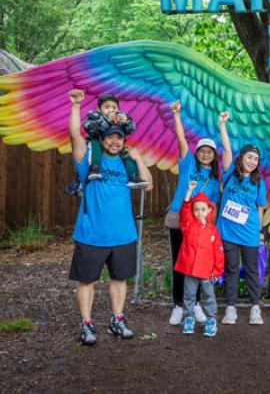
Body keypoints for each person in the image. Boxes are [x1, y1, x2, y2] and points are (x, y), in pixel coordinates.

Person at [67, 89, 153, 346]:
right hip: (92, 233)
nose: (114, 142)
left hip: (123, 234)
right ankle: (86, 324)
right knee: (86, 281)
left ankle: (117, 319)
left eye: (119, 138)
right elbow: (74, 136)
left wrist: (138, 159)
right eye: (110, 138)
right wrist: (75, 107)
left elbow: (147, 186)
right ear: (102, 139)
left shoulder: (127, 163)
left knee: (119, 279)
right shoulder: (89, 158)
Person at [166, 101, 221, 326]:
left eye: (209, 151)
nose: (205, 154)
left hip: (200, 227)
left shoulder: (215, 178)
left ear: (213, 155)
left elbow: (214, 206)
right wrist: (177, 115)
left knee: (200, 263)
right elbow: (180, 140)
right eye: (202, 151)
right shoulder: (188, 164)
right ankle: (179, 305)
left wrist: (211, 228)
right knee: (180, 262)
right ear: (197, 153)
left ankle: (195, 304)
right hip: (180, 219)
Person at [216, 112, 268, 326]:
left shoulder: (258, 182)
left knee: (252, 269)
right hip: (228, 232)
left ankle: (255, 307)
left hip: (249, 233)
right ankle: (230, 308)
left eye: (256, 159)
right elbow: (227, 149)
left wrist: (259, 232)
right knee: (231, 269)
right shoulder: (229, 173)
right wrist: (222, 124)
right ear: (241, 158)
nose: (252, 161)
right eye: (249, 157)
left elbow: (260, 208)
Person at [176, 181, 225, 336]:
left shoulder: (213, 231)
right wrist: (189, 192)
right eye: (196, 210)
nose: (200, 212)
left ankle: (211, 320)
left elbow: (218, 252)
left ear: (209, 210)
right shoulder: (188, 225)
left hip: (206, 271)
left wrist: (217, 271)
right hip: (190, 269)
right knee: (189, 296)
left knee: (209, 297)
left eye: (203, 209)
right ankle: (188, 318)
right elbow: (184, 213)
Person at [83, 93, 146, 187]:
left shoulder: (120, 118)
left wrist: (127, 121)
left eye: (114, 107)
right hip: (96, 143)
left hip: (113, 147)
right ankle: (94, 168)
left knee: (127, 153)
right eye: (107, 107)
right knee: (94, 145)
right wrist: (107, 120)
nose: (111, 110)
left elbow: (131, 129)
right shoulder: (94, 116)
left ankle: (133, 176)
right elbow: (89, 127)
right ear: (99, 109)